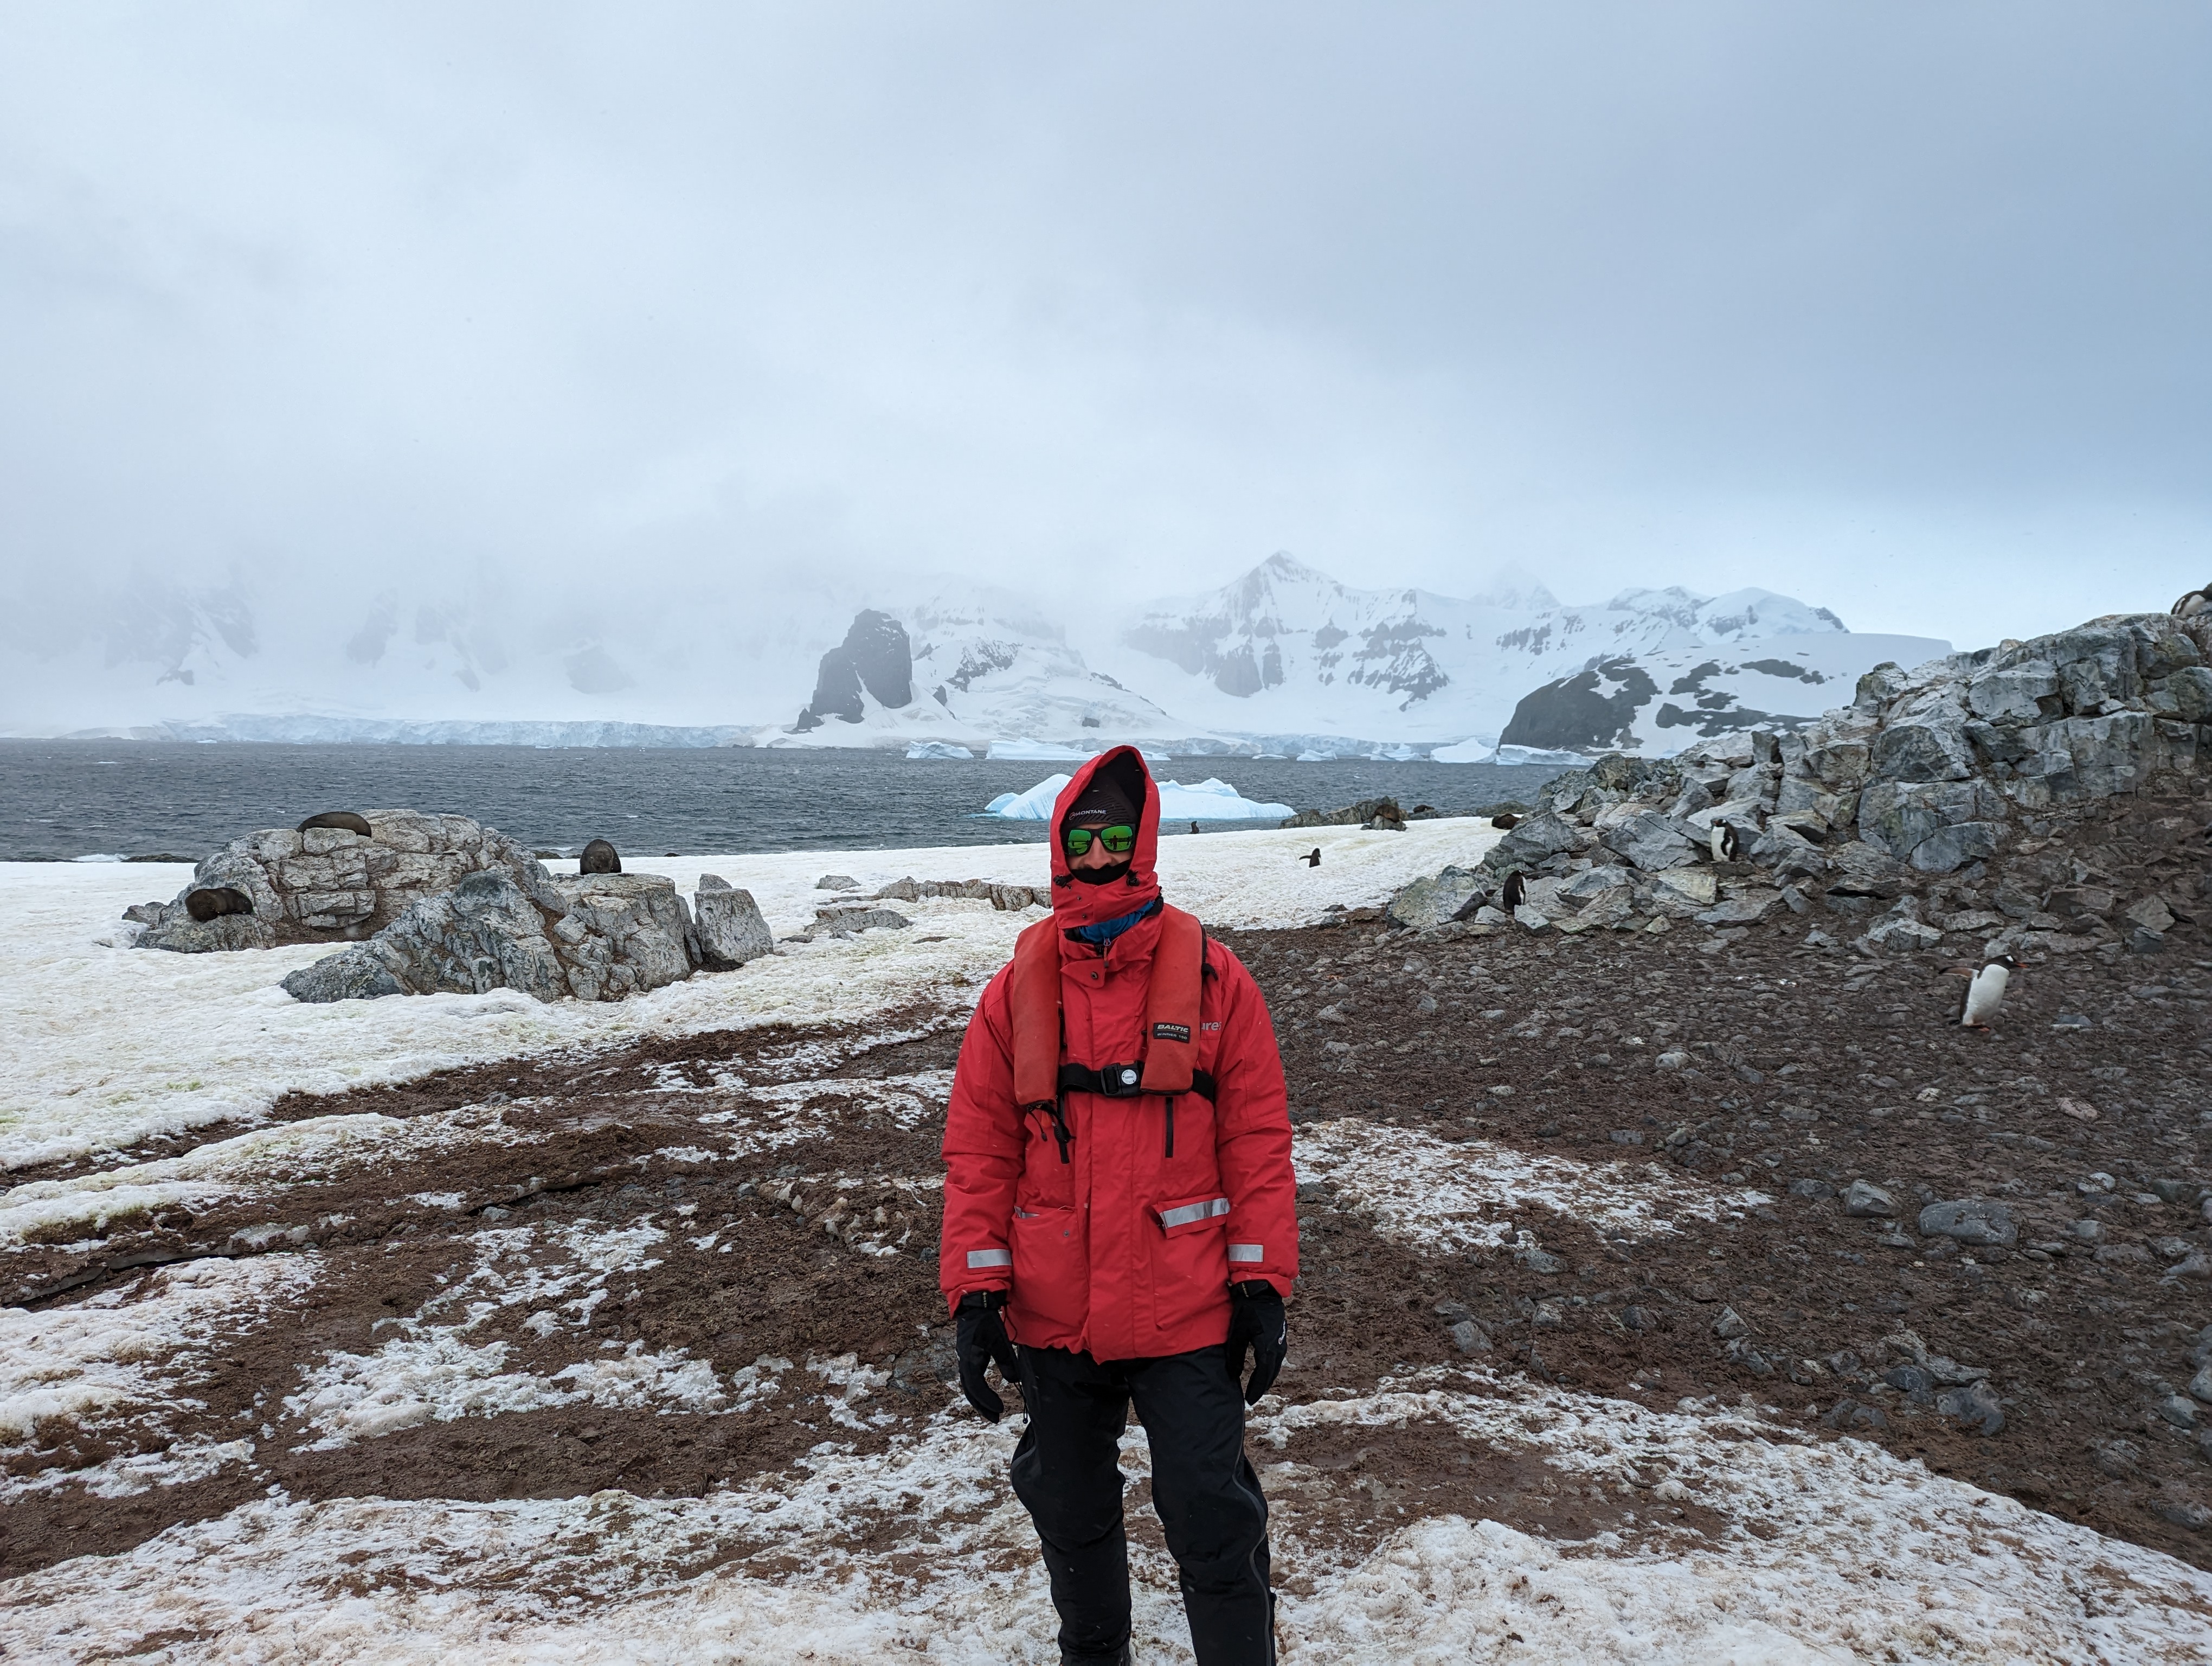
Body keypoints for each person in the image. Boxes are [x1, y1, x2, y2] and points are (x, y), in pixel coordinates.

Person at [939, 746, 1299, 1666]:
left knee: (1210, 1514)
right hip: (1055, 1313)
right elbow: (980, 1152)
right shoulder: (1010, 998)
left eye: (1114, 837)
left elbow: (1256, 1143)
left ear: (1143, 841)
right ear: (1059, 847)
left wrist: (1261, 1281)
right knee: (1069, 1507)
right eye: (1080, 838)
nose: (1097, 857)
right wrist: (976, 1296)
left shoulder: (1219, 983)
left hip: (1188, 1309)